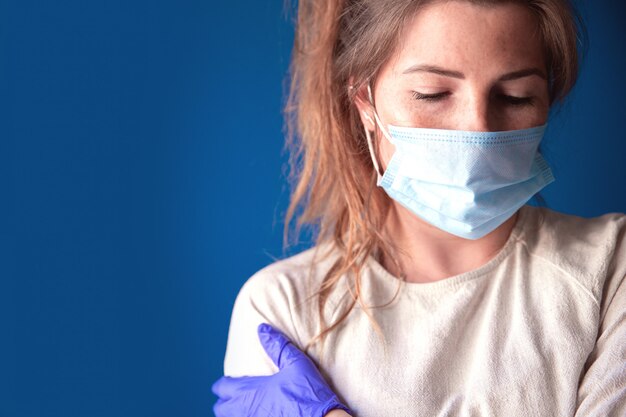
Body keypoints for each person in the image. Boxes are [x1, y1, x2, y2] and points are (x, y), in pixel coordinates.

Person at [212, 0, 626, 416]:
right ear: (364, 101)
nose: (477, 131)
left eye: (515, 97)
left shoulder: (608, 268)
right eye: (433, 94)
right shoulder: (283, 311)